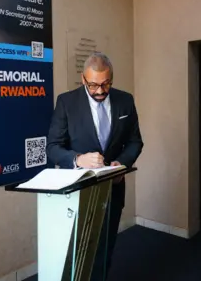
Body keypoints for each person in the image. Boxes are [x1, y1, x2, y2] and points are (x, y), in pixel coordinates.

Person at [46, 52, 144, 280]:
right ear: (83, 79)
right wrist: (77, 159)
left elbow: (135, 141)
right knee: (76, 252)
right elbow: (52, 147)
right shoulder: (66, 102)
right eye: (93, 85)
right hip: (77, 194)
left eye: (105, 84)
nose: (100, 91)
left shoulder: (125, 100)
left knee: (104, 250)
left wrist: (122, 164)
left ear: (111, 78)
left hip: (113, 190)